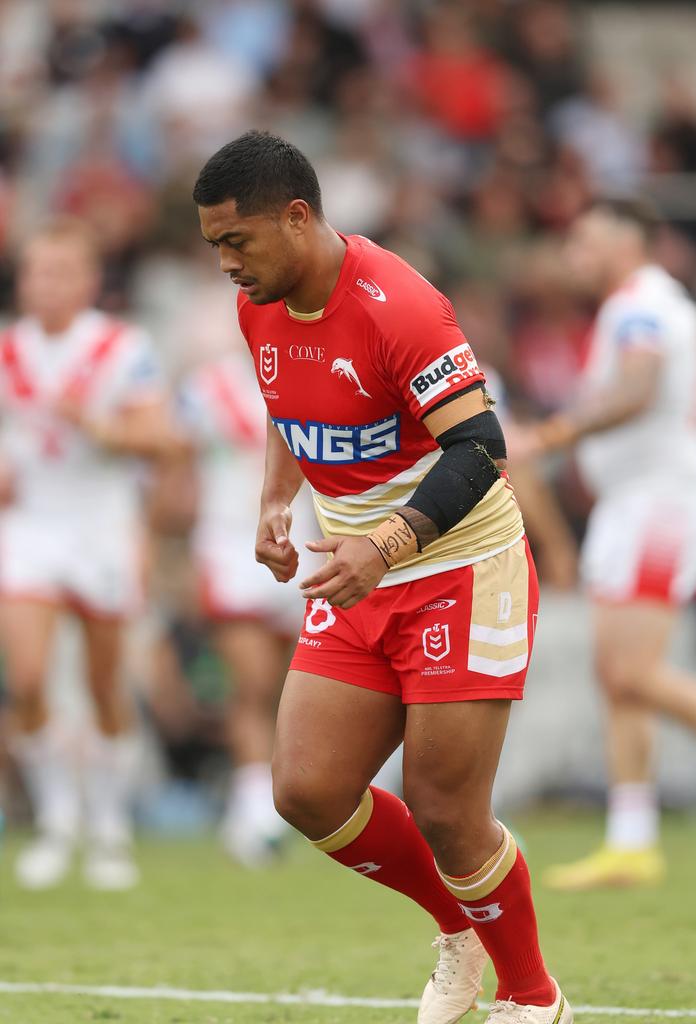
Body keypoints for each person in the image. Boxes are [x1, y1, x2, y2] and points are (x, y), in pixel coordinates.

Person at [193, 131, 571, 1024]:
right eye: (212, 246)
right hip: (355, 574)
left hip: (459, 565)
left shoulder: (400, 304)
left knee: (444, 809)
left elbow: (482, 448)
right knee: (307, 791)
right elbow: (294, 412)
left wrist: (388, 543)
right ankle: (459, 930)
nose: (224, 265)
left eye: (235, 241)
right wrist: (275, 504)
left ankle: (533, 998)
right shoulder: (260, 307)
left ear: (297, 217)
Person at [512, 199, 696, 890]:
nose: (575, 254)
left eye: (586, 240)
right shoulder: (635, 306)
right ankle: (632, 841)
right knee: (617, 676)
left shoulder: (642, 305)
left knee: (631, 672)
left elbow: (638, 389)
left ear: (626, 243)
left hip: (661, 504)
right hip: (641, 504)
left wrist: (549, 435)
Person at [0, 218, 172, 890]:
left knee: (105, 684)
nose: (45, 285)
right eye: (36, 272)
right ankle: (57, 820)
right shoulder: (8, 349)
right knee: (31, 678)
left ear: (88, 280)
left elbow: (161, 438)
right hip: (32, 527)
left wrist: (96, 426)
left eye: (60, 272)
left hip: (102, 524)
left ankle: (108, 826)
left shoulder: (122, 348)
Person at [176, 323, 319, 866]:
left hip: (307, 536)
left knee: (304, 686)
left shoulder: (315, 374)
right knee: (251, 682)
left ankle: (301, 799)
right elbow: (179, 470)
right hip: (229, 543)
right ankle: (256, 806)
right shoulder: (204, 388)